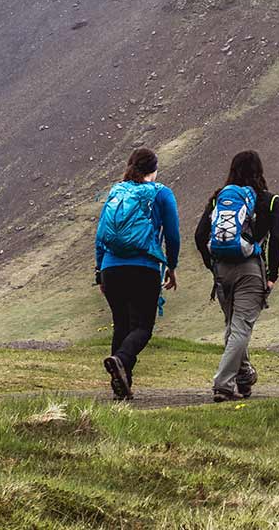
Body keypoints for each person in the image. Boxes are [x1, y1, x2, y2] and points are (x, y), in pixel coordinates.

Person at [194, 150, 279, 402]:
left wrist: (212, 266)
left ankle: (244, 376)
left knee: (233, 327)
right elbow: (277, 240)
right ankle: (223, 385)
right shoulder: (270, 200)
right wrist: (272, 275)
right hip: (251, 270)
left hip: (222, 271)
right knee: (240, 327)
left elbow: (200, 236)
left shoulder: (218, 199)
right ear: (260, 171)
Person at [94, 146, 180, 400]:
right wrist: (171, 266)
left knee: (121, 325)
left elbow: (101, 234)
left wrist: (100, 270)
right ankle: (120, 360)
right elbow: (173, 235)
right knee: (142, 327)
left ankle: (122, 387)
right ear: (154, 170)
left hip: (111, 268)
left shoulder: (116, 192)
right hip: (144, 268)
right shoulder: (161, 193)